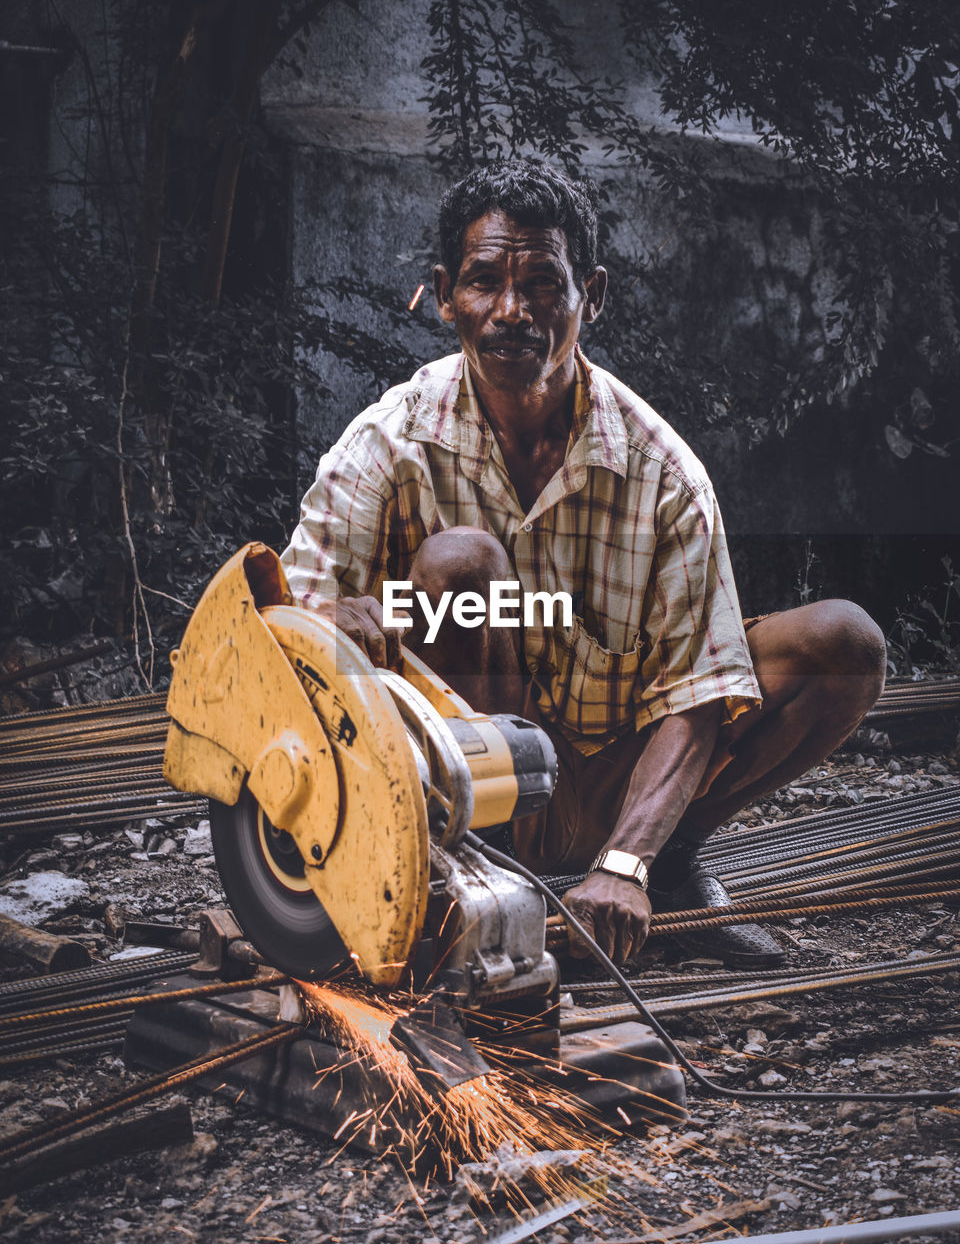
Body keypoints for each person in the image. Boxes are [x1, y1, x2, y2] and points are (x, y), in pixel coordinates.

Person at [281, 159, 886, 969]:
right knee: (463, 564)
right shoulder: (388, 444)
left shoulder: (664, 472)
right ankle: (468, 876)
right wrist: (333, 620)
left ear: (589, 297)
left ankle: (661, 867)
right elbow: (283, 626)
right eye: (484, 282)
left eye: (542, 284)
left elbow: (699, 695)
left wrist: (625, 861)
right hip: (459, 788)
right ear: (445, 293)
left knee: (843, 646)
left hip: (611, 785)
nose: (511, 311)